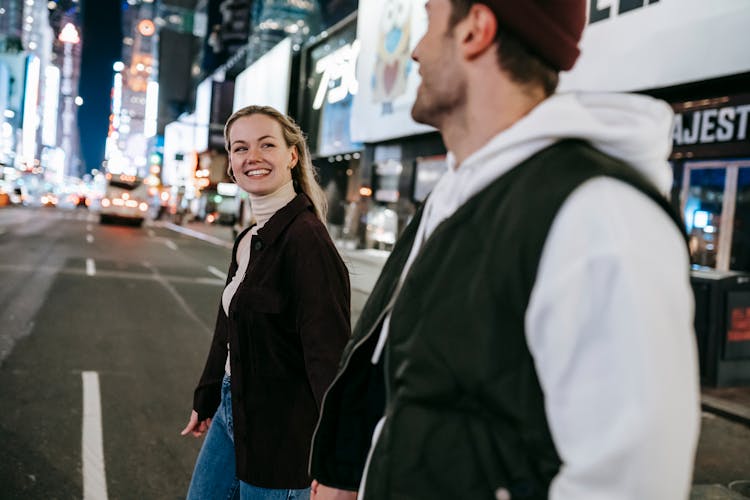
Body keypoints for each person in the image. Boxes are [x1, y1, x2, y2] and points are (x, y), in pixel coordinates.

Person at [309, 1, 700, 499]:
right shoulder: (456, 196)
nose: (415, 51)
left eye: (429, 23)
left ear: (475, 29)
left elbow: (631, 483)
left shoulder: (598, 214)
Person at [182, 105, 351, 500]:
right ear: (231, 163)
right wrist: (207, 396)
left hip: (284, 434)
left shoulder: (306, 241)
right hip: (231, 407)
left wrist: (337, 462)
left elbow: (329, 357)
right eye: (240, 148)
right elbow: (228, 326)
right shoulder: (249, 238)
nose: (251, 157)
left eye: (266, 145)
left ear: (292, 156)